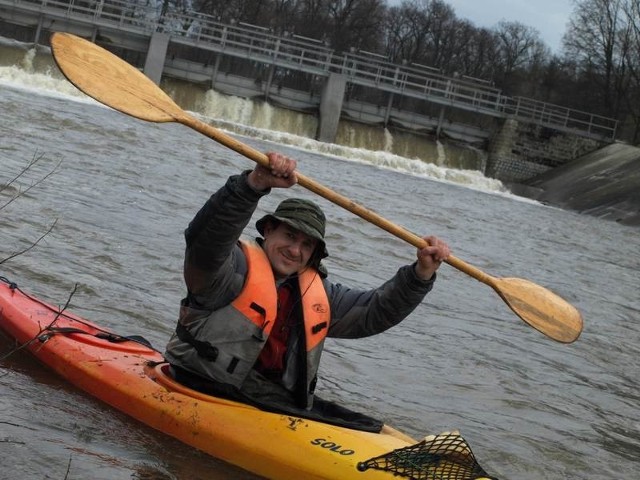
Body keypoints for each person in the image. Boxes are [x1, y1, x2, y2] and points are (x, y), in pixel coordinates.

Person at [165, 152, 450, 432]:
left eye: (306, 245)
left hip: (274, 403)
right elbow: (207, 238)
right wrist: (253, 185)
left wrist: (421, 274)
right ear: (269, 231)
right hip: (202, 386)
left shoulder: (318, 295)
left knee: (367, 426)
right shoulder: (225, 270)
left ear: (314, 254)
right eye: (289, 236)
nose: (294, 250)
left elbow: (375, 313)